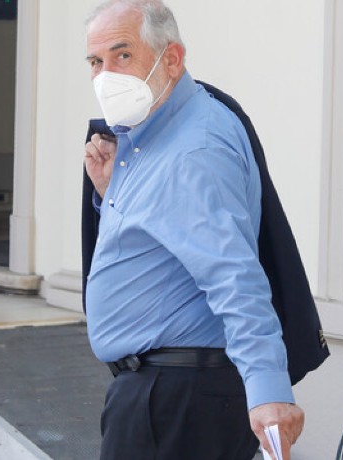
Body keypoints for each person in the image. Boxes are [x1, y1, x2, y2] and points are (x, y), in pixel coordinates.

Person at [82, 1, 310, 458]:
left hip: (176, 399)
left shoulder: (194, 149)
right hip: (164, 393)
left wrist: (268, 391)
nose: (106, 75)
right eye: (95, 61)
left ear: (171, 59)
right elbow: (162, 236)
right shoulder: (157, 132)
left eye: (122, 55)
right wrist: (110, 192)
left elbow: (235, 275)